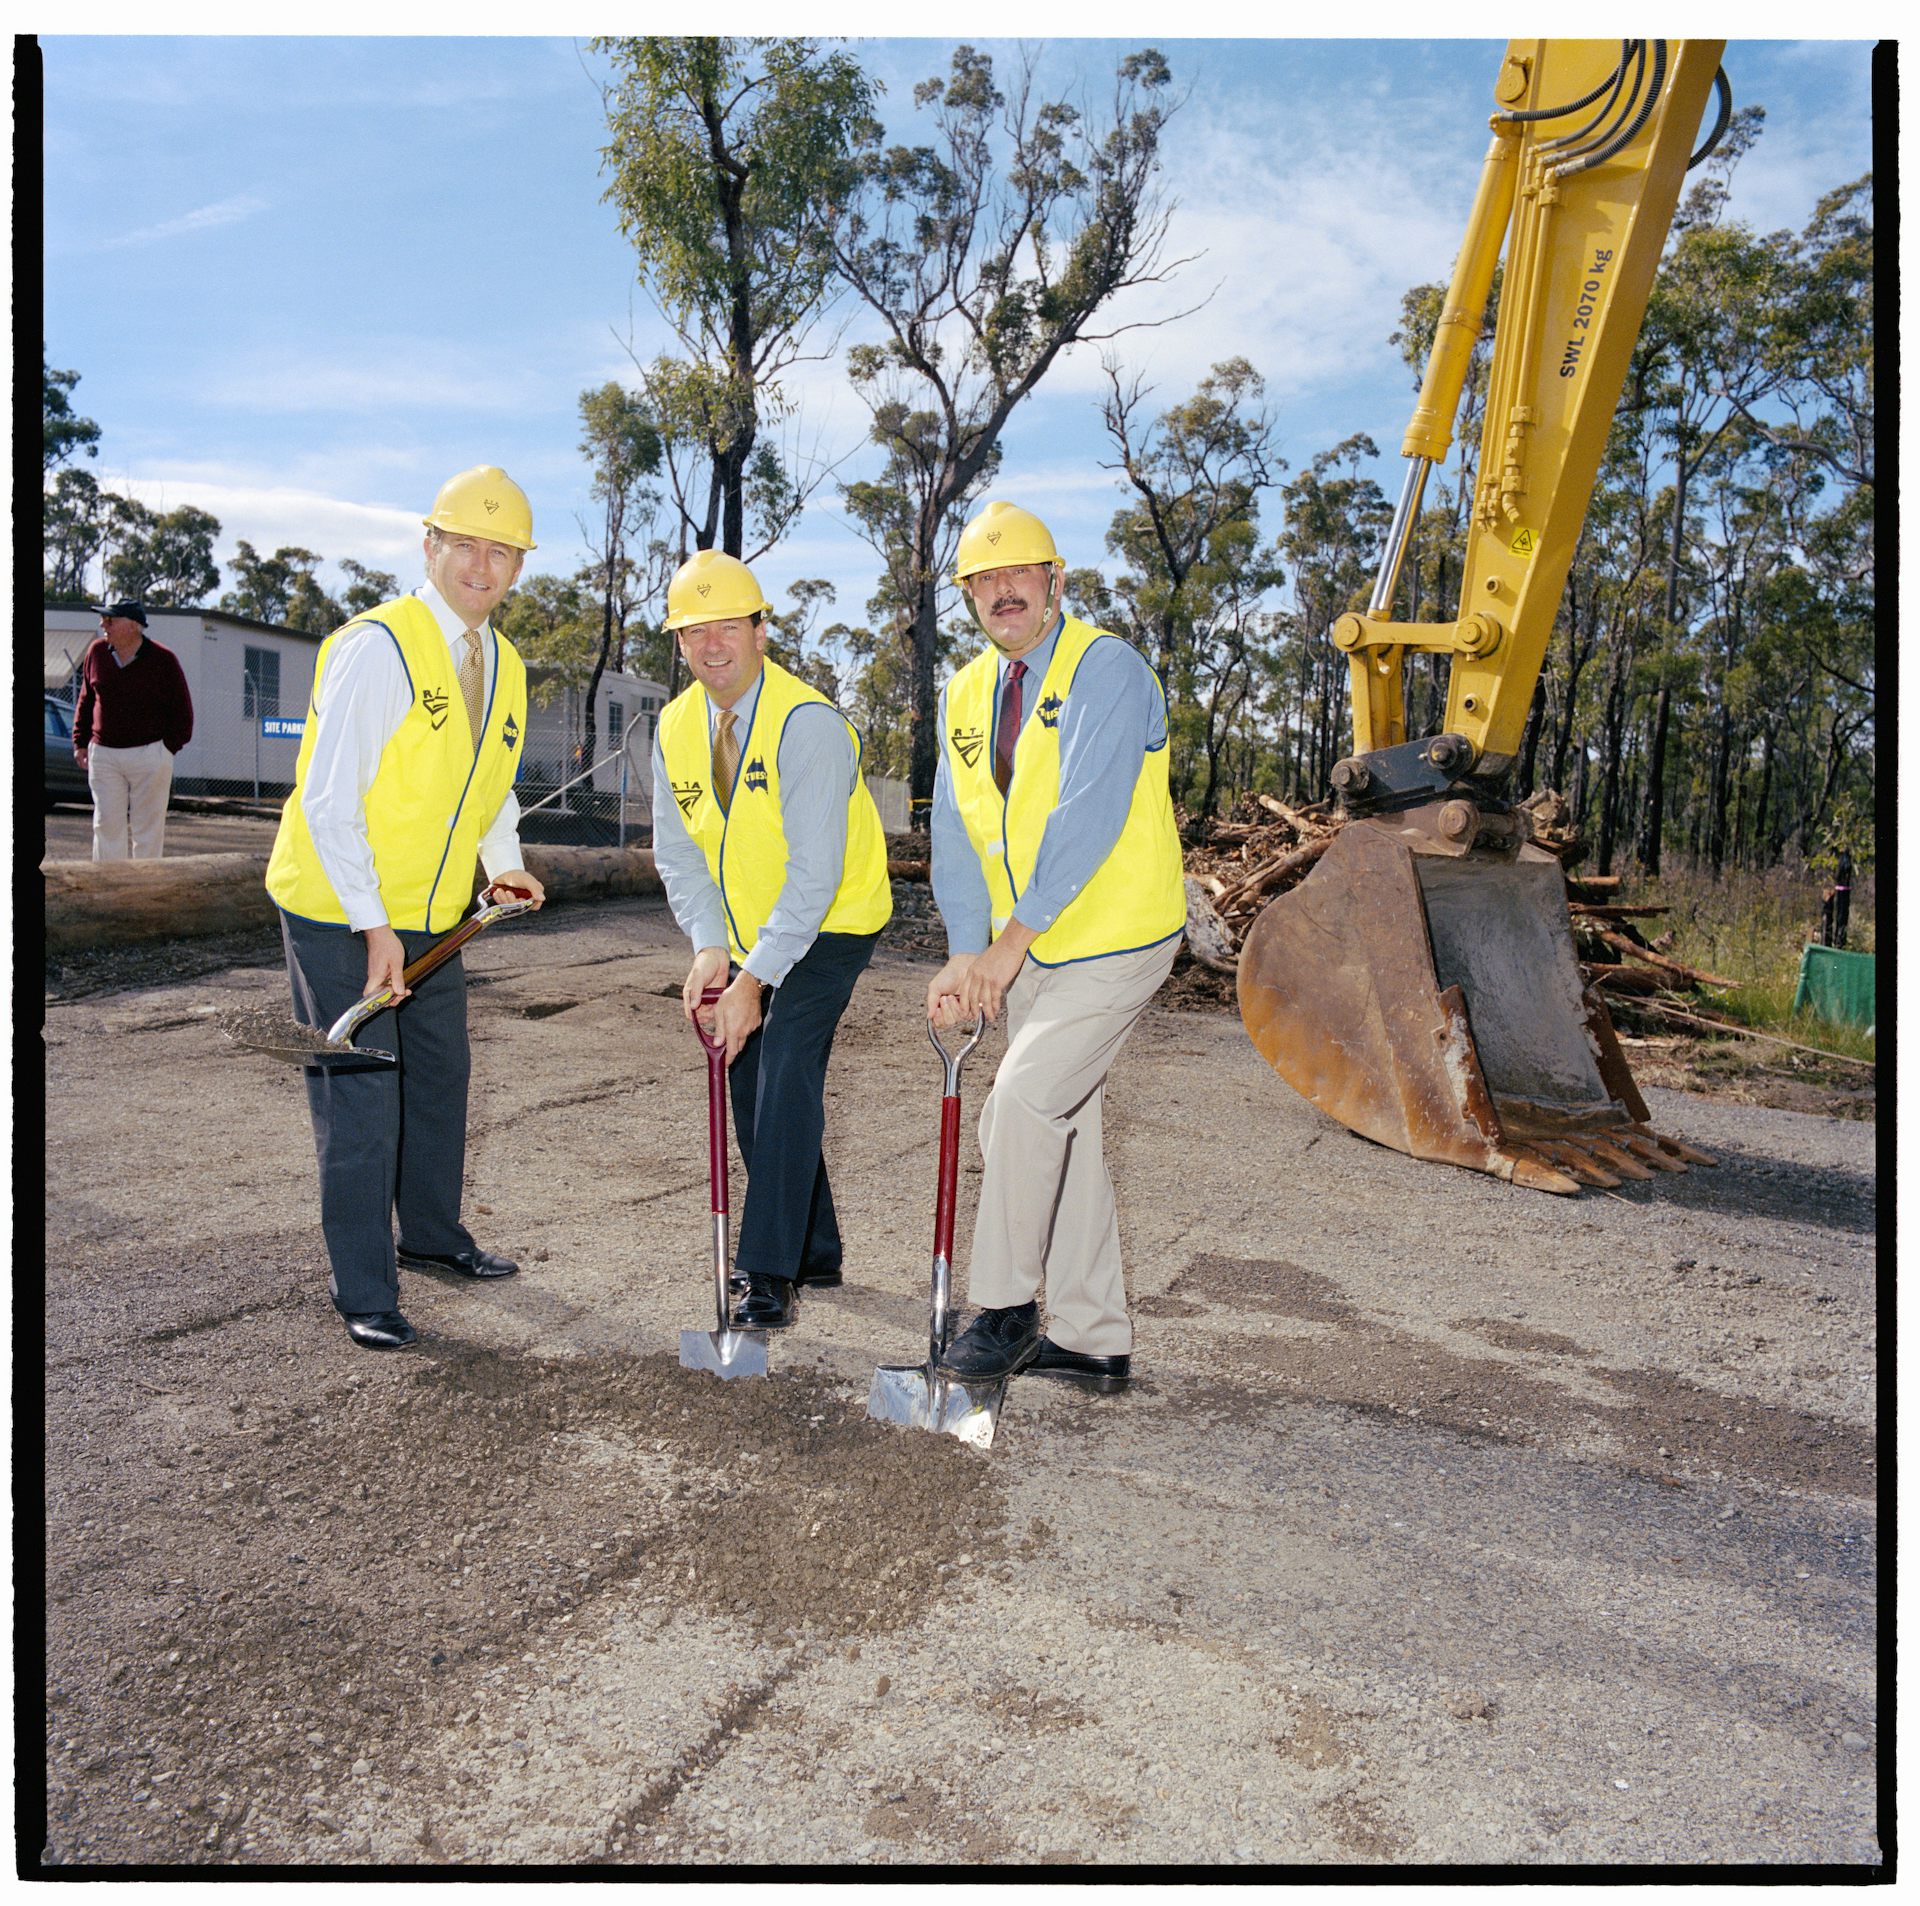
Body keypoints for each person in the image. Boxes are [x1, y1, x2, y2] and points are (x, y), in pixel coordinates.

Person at [263, 466, 547, 1351]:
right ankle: (365, 1287)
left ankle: (430, 1237)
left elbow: (490, 786)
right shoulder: (379, 646)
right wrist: (370, 923)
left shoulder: (505, 664)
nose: (481, 565)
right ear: (431, 547)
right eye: (465, 545)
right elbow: (328, 799)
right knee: (362, 1092)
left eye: (500, 552)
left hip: (435, 913)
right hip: (340, 907)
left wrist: (503, 866)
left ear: (515, 568)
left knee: (440, 1078)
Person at [925, 500, 1186, 1393]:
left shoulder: (1103, 668)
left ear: (1054, 581)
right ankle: (1091, 1335)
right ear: (968, 594)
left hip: (1115, 937)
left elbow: (1088, 817)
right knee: (1062, 1133)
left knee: (1022, 1107)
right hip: (1029, 951)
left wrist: (1007, 945)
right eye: (983, 579)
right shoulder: (965, 690)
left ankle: (1002, 1309)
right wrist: (969, 951)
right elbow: (958, 828)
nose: (1003, 591)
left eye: (1018, 574)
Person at [651, 549, 892, 1331]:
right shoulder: (675, 726)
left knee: (784, 1066)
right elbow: (680, 852)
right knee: (749, 1083)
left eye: (729, 627)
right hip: (751, 929)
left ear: (762, 632)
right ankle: (815, 1249)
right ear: (679, 644)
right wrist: (712, 947)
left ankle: (765, 1270)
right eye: (694, 631)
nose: (712, 645)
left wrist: (755, 982)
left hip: (834, 921)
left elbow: (816, 875)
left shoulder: (807, 724)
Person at [72, 599, 194, 860]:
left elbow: (183, 714)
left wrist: (165, 750)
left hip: (150, 756)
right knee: (106, 825)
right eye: (104, 619)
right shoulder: (96, 653)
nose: (103, 624)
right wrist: (80, 742)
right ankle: (110, 891)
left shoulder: (164, 660)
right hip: (104, 756)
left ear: (134, 626)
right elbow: (86, 700)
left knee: (148, 830)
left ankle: (146, 893)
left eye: (110, 620)